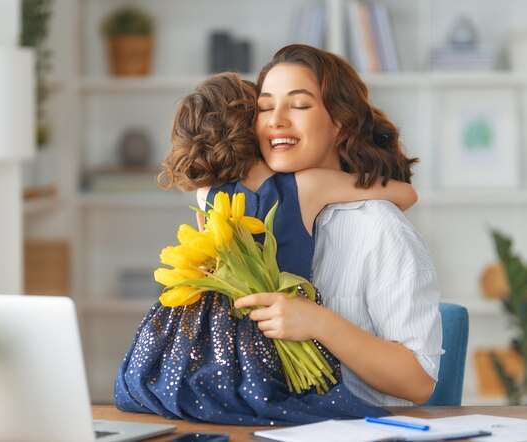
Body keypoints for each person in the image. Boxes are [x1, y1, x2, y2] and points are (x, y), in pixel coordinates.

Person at [115, 71, 417, 424]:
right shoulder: (308, 184)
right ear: (254, 125)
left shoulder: (206, 195)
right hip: (286, 326)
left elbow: (210, 261)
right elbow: (405, 194)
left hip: (224, 338)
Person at [234, 44, 442, 407]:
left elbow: (419, 381)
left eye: (299, 105)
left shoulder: (379, 228)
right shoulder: (247, 221)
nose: (276, 120)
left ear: (340, 122)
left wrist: (319, 322)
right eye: (265, 107)